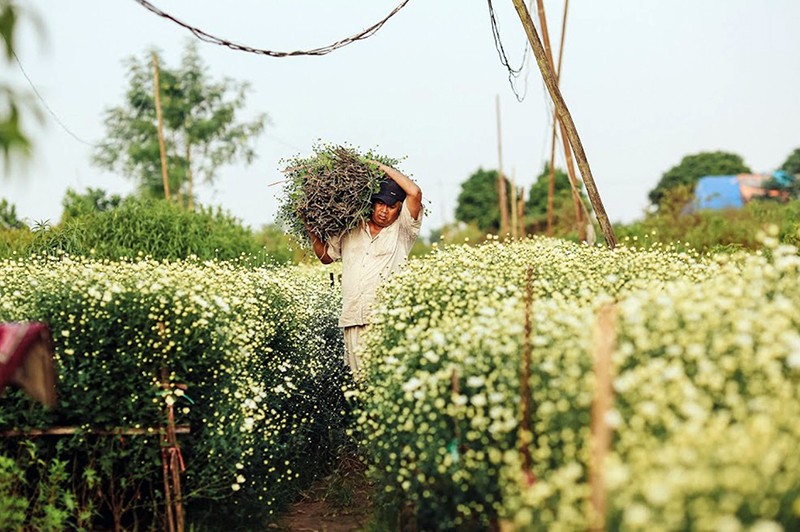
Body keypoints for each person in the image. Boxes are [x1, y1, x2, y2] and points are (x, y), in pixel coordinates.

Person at [307, 161, 423, 374]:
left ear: (400, 209)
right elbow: (326, 257)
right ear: (372, 203)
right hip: (353, 317)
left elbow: (414, 192)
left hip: (386, 319)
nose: (383, 211)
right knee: (359, 382)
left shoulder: (403, 231)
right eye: (380, 203)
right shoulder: (350, 228)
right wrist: (311, 230)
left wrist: (378, 167)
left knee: (386, 377)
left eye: (391, 206)